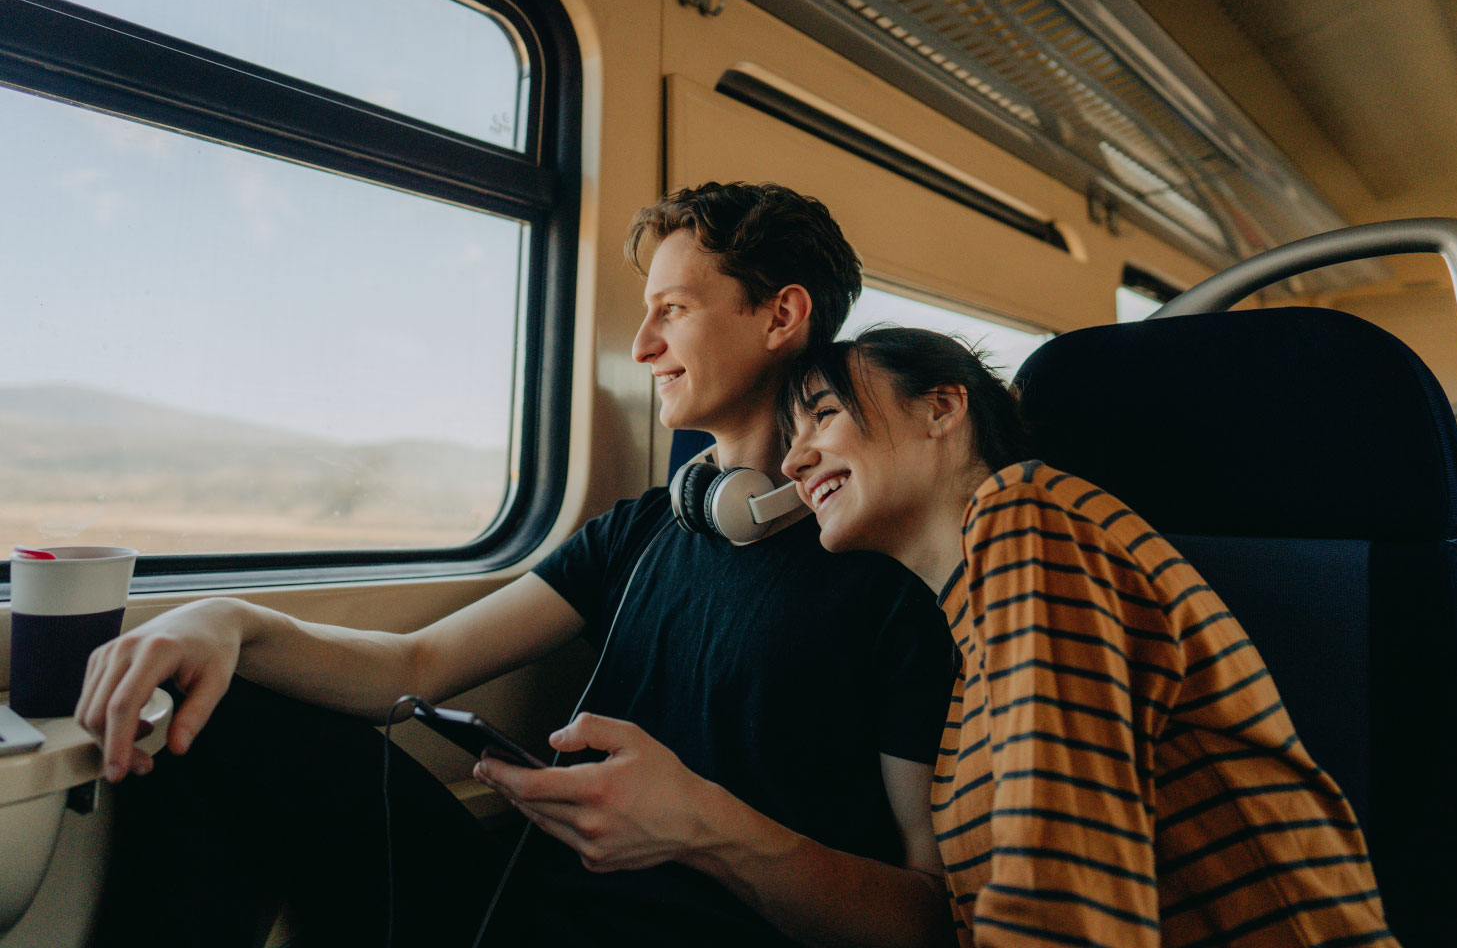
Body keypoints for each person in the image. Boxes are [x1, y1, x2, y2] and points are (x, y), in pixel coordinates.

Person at [77, 184, 958, 948]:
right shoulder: (643, 531)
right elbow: (413, 668)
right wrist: (230, 620)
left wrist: (704, 828)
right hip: (526, 919)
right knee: (226, 708)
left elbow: (930, 918)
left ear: (781, 315)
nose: (644, 343)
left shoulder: (888, 573)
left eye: (674, 310)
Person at [779, 326, 1399, 948]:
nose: (792, 461)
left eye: (824, 414)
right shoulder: (970, 639)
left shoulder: (1024, 516)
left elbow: (1062, 874)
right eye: (790, 438)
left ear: (942, 408)